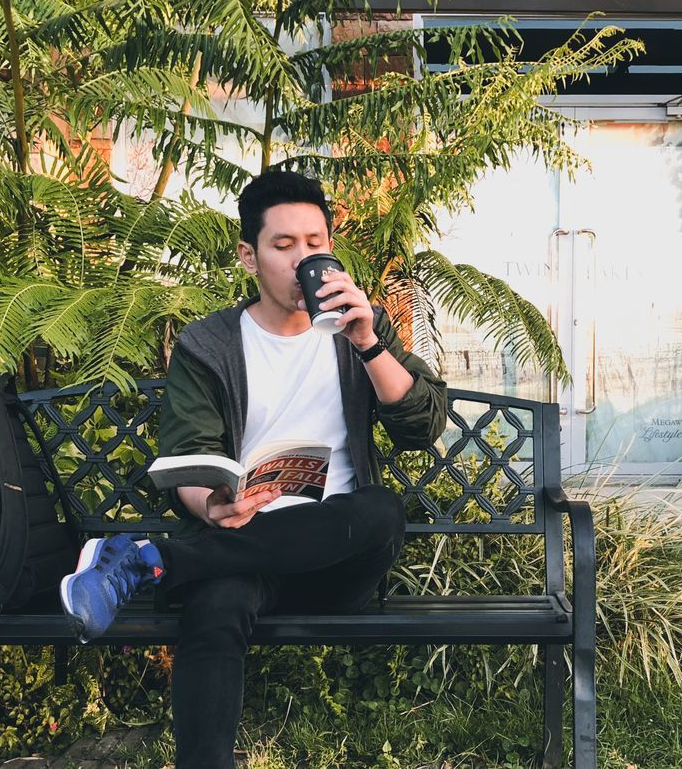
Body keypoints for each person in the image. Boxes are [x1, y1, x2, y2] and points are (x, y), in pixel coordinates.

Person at [59, 169, 447, 768]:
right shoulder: (209, 344)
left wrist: (369, 343)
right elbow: (189, 453)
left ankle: (152, 561)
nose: (303, 261)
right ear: (249, 255)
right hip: (243, 544)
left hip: (338, 559)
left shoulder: (359, 326)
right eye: (283, 245)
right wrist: (211, 505)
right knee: (215, 608)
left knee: (381, 509)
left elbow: (422, 428)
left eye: (315, 244)